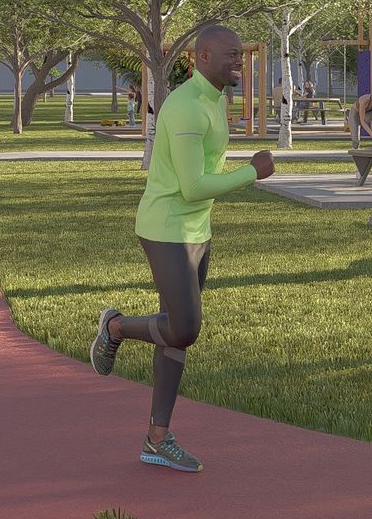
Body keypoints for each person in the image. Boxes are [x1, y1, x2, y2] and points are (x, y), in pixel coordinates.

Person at [89, 25, 277, 474]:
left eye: (242, 56)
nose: (239, 63)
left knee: (175, 333)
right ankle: (114, 327)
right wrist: (253, 172)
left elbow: (202, 172)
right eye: (231, 56)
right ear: (203, 59)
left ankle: (158, 438)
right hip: (166, 228)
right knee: (185, 327)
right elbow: (192, 187)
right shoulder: (188, 107)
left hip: (196, 231)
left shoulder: (214, 100)